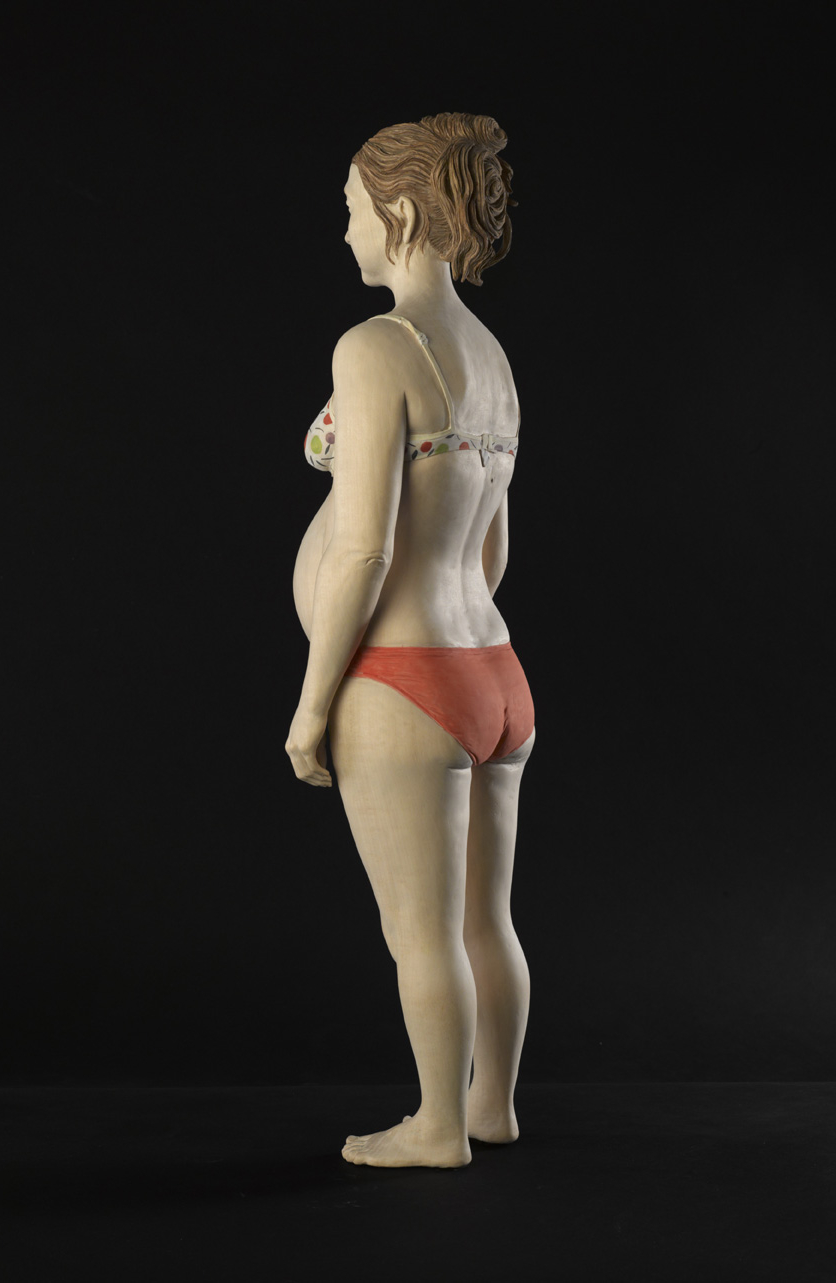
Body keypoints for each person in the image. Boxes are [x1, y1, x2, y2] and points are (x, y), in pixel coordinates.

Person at [286, 113, 535, 1169]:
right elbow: (492, 549)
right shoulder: (490, 355)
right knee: (488, 920)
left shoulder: (377, 346)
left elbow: (364, 549)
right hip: (492, 670)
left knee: (420, 930)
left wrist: (312, 705)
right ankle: (491, 1104)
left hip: (402, 677)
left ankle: (436, 1126)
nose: (345, 231)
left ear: (398, 212)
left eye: (351, 209)